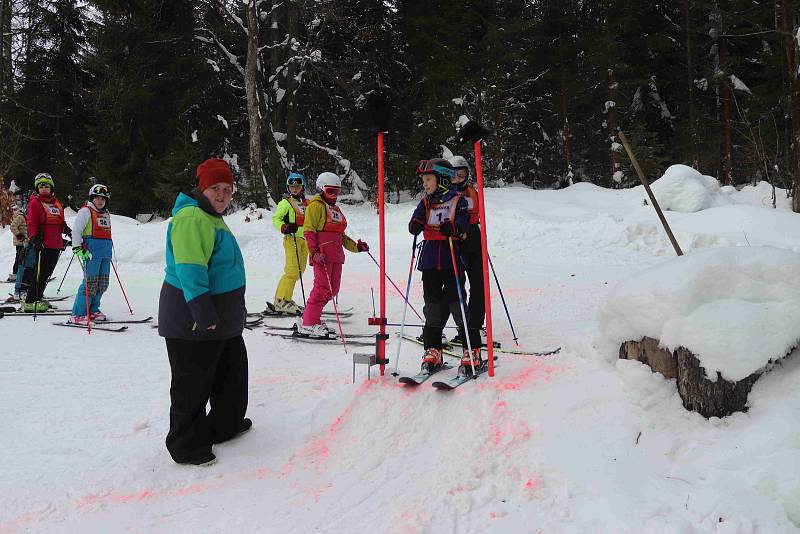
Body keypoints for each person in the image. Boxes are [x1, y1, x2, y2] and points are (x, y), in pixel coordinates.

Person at [158, 158, 250, 466]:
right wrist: (204, 314)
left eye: (227, 189)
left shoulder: (211, 217)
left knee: (230, 372)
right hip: (194, 322)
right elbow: (190, 270)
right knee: (192, 382)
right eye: (215, 188)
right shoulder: (192, 217)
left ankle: (226, 424)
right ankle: (186, 445)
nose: (222, 194)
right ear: (202, 188)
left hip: (221, 319)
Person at [408, 158, 482, 373]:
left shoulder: (458, 201)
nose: (425, 184)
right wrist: (415, 225)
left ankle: (472, 348)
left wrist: (455, 228)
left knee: (457, 304)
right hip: (430, 261)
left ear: (441, 179)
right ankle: (433, 349)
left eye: (428, 179)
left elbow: (462, 224)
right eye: (423, 180)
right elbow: (417, 219)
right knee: (431, 306)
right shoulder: (425, 202)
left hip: (451, 260)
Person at [296, 172, 369, 337]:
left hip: (335, 255)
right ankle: (308, 322)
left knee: (333, 290)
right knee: (321, 289)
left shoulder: (335, 209)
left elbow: (341, 236)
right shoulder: (315, 206)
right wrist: (314, 253)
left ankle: (309, 316)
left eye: (337, 192)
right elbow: (309, 231)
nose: (335, 196)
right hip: (322, 255)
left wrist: (357, 247)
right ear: (321, 189)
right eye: (331, 191)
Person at [448, 155, 486, 347]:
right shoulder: (446, 193)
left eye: (461, 175)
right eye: (454, 175)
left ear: (467, 175)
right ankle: (463, 326)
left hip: (472, 237)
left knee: (479, 283)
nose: (458, 179)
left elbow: (478, 213)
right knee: (457, 285)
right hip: (455, 239)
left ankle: (475, 325)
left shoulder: (473, 192)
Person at [21, 173, 71, 312]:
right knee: (40, 272)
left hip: (56, 243)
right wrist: (33, 238)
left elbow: (60, 220)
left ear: (51, 188)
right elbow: (31, 222)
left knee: (48, 272)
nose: (44, 188)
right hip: (42, 242)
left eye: (46, 185)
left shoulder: (57, 203)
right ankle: (31, 300)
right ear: (37, 188)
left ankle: (38, 296)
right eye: (41, 186)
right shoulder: (35, 203)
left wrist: (66, 229)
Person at [69, 184, 114, 324]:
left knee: (102, 284)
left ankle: (93, 310)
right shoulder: (86, 211)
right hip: (91, 254)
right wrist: (77, 248)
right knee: (90, 283)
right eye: (97, 198)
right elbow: (76, 231)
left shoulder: (106, 213)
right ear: (92, 198)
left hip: (105, 254)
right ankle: (78, 314)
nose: (100, 201)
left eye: (103, 198)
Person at [270, 172, 309, 315]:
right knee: (292, 271)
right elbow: (276, 219)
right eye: (291, 186)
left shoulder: (307, 203)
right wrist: (284, 227)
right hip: (292, 238)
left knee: (299, 272)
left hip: (305, 240)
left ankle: (286, 299)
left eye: (297, 185)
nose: (294, 188)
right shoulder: (286, 203)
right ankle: (281, 301)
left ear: (302, 186)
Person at [7, 202, 27, 283]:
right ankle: (15, 275)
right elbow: (13, 226)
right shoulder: (20, 217)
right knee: (20, 258)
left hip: (21, 242)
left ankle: (18, 274)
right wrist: (19, 235)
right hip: (21, 242)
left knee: (20, 258)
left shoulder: (20, 216)